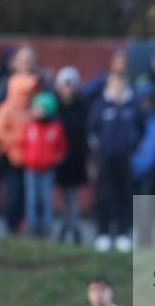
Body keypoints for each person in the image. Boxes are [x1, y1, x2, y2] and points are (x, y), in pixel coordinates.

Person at [87, 74, 143, 252]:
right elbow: (91, 129)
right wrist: (99, 148)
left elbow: (141, 128)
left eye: (121, 82)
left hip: (125, 159)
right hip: (105, 159)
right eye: (114, 82)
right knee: (104, 196)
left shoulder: (133, 105)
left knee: (124, 196)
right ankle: (103, 233)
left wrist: (133, 147)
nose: (118, 86)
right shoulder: (100, 104)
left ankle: (122, 233)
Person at [0, 72, 38, 234]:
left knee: (28, 194)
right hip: (10, 158)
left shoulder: (32, 109)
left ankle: (24, 225)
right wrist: (21, 138)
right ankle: (12, 225)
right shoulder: (7, 109)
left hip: (30, 158)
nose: (28, 95)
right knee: (14, 193)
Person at [21, 91, 67, 237]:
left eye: (39, 109)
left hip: (47, 169)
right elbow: (23, 144)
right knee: (31, 198)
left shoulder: (56, 128)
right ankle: (32, 226)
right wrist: (26, 158)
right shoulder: (30, 126)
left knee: (46, 199)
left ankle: (46, 227)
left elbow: (61, 148)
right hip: (31, 168)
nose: (36, 112)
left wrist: (55, 159)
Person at [53, 67, 88, 244]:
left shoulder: (82, 108)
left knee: (72, 198)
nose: (67, 90)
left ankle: (72, 230)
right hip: (56, 160)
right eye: (64, 86)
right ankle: (65, 229)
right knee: (57, 197)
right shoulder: (53, 108)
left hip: (75, 159)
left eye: (70, 85)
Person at [131, 84, 155, 197]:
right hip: (128, 170)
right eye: (143, 99)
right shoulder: (129, 116)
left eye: (149, 99)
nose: (146, 102)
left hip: (150, 171)